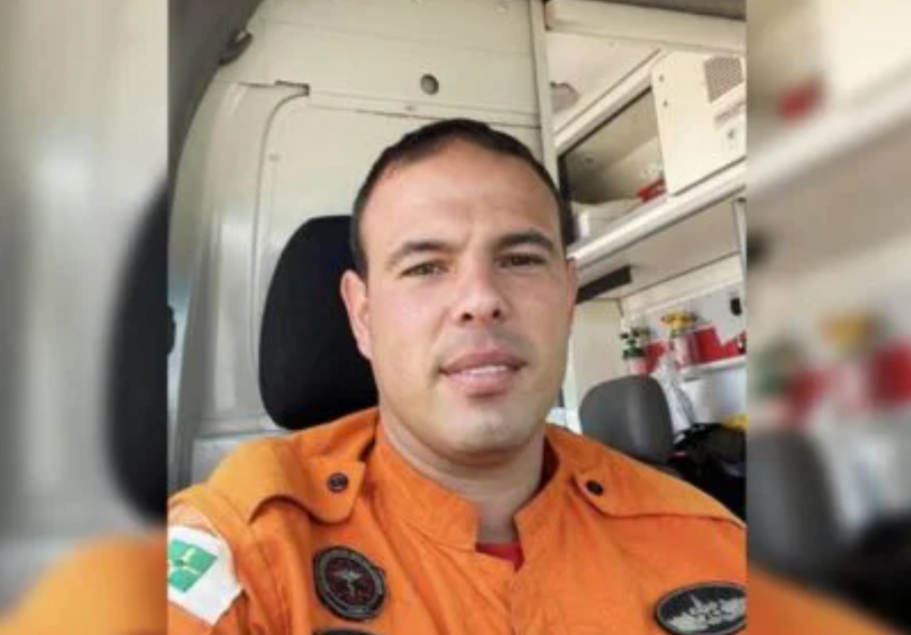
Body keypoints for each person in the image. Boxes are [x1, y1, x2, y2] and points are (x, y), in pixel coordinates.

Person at [167, 119, 746, 635]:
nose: (480, 300)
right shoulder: (248, 548)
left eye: (519, 260)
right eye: (426, 267)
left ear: (569, 296)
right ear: (363, 316)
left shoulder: (708, 543)